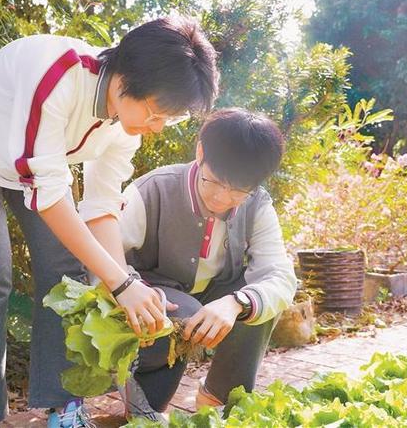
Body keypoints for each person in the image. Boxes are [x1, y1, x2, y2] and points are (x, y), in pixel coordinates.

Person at [0, 16, 220, 428]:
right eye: (156, 112)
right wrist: (122, 285)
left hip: (35, 165)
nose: (155, 127)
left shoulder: (126, 127)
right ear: (125, 79)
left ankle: (63, 405)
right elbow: (48, 196)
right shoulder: (58, 76)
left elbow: (100, 208)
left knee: (66, 272)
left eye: (167, 120)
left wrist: (121, 282)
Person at [116, 108, 297, 421]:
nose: (222, 198)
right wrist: (136, 291)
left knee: (257, 299)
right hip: (154, 304)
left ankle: (218, 397)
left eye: (239, 189)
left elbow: (280, 276)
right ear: (200, 152)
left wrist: (236, 303)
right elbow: (102, 261)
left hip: (211, 294)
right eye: (214, 181)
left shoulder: (257, 203)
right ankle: (134, 384)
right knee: (184, 314)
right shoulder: (152, 190)